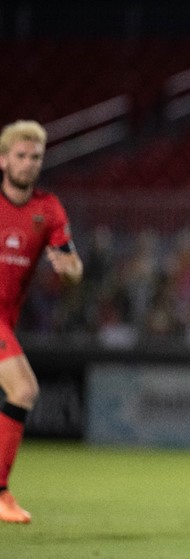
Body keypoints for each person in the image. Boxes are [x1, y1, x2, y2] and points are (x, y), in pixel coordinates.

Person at [0, 120, 84, 523]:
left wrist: (68, 268)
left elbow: (73, 267)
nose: (29, 163)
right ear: (3, 160)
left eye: (36, 157)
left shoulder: (47, 208)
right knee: (24, 388)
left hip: (6, 320)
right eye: (21, 156)